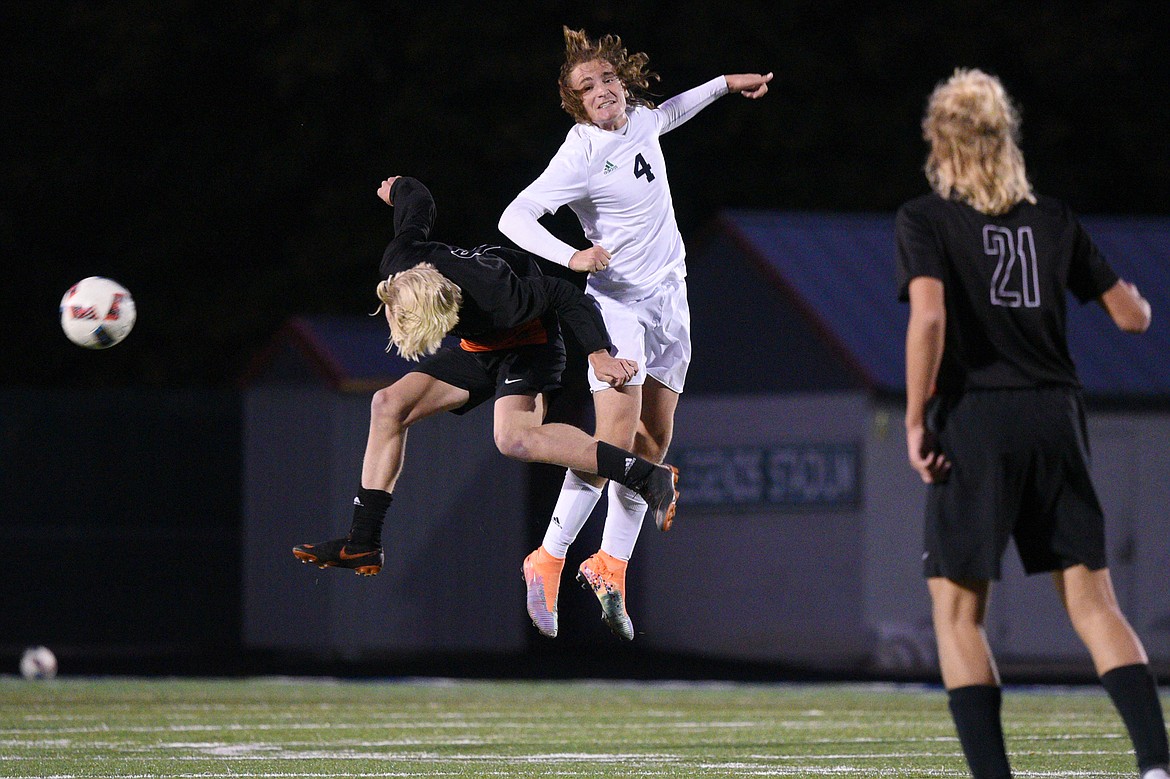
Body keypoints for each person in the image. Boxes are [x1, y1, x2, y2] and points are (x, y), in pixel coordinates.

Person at [897, 68, 1168, 779]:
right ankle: (1156, 765)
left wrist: (915, 418)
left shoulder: (925, 218)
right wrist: (1133, 294)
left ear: (939, 140)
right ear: (1003, 136)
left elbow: (929, 315)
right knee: (1093, 602)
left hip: (976, 418)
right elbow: (1132, 317)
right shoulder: (1054, 218)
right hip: (1055, 414)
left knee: (958, 615)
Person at [498, 25, 772, 641]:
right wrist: (571, 258)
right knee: (614, 437)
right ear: (576, 103)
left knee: (652, 442)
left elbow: (674, 110)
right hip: (617, 306)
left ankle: (610, 564)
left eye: (607, 79)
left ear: (623, 81)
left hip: (671, 300)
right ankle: (548, 556)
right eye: (586, 87)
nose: (600, 90)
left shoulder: (641, 120)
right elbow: (514, 216)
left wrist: (727, 84)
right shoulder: (580, 153)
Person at [293, 176, 679, 608]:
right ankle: (363, 540)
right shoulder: (400, 260)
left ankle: (647, 475)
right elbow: (419, 200)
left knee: (512, 438)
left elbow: (566, 296)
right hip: (478, 346)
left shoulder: (498, 295)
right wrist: (397, 186)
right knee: (387, 404)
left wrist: (598, 354)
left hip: (528, 343)